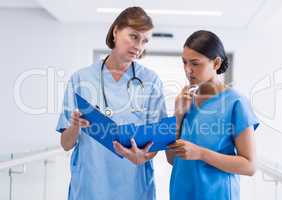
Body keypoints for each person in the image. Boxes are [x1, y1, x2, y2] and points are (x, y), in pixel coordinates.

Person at [56, 7, 167, 200]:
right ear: (116, 31)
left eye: (144, 41)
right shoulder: (81, 79)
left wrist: (144, 156)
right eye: (133, 37)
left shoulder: (151, 81)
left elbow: (158, 139)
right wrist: (74, 126)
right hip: (91, 184)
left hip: (133, 185)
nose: (139, 46)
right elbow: (66, 144)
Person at [166, 30, 259, 200]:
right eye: (184, 62)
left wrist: (201, 153)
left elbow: (249, 166)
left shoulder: (236, 102)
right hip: (181, 193)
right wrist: (178, 116)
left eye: (195, 63)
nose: (188, 70)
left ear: (216, 63)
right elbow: (172, 159)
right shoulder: (185, 101)